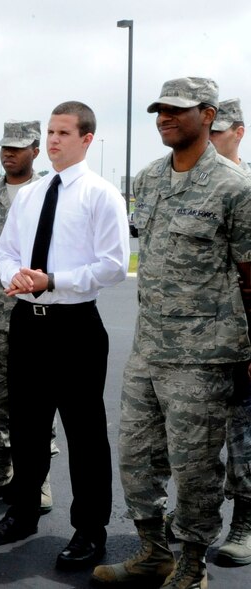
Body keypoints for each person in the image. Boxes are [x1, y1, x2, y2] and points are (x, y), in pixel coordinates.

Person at [92, 78, 251, 588]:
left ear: (208, 115)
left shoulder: (234, 188)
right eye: (160, 110)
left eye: (177, 111)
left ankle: (191, 565)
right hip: (148, 348)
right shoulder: (149, 179)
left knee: (196, 466)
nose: (164, 118)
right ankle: (153, 551)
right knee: (136, 456)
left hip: (204, 357)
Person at [0, 101, 130, 574]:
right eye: (50, 132)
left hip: (75, 327)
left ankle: (90, 530)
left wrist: (54, 280)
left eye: (64, 133)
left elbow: (113, 266)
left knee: (85, 435)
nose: (53, 141)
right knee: (25, 426)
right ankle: (23, 512)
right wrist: (18, 277)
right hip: (27, 323)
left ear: (87, 139)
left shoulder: (101, 194)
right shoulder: (31, 193)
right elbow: (5, 250)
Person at [0, 120, 58, 510]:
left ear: (36, 151)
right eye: (5, 147)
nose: (10, 153)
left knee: (38, 399)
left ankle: (38, 479)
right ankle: (2, 469)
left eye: (19, 148)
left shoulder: (50, 193)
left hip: (37, 314)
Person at [207, 97, 251, 567]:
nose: (209, 141)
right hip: (197, 339)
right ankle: (198, 515)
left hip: (240, 337)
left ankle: (245, 520)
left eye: (217, 132)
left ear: (237, 131)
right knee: (194, 438)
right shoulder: (194, 186)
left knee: (244, 435)